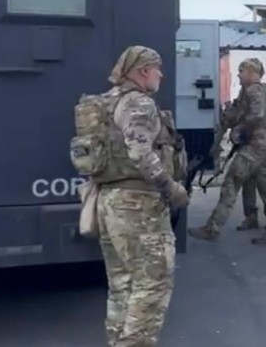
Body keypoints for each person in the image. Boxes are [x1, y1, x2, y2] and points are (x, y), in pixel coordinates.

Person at [94, 46, 189, 346]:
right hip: (138, 205)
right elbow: (139, 151)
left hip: (108, 201)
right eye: (157, 68)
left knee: (122, 285)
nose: (161, 74)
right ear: (143, 70)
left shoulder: (105, 103)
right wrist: (171, 187)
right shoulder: (139, 103)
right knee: (152, 284)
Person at [189, 58, 266, 245]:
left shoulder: (253, 90)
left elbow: (257, 115)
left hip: (255, 146)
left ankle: (213, 228)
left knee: (231, 183)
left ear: (251, 72)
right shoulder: (265, 91)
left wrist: (239, 127)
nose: (239, 75)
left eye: (241, 71)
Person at [211, 100, 263, 231]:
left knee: (243, 183)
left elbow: (224, 127)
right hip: (255, 149)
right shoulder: (249, 106)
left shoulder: (243, 107)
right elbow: (224, 127)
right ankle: (256, 218)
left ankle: (214, 227)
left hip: (253, 149)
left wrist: (216, 146)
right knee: (252, 184)